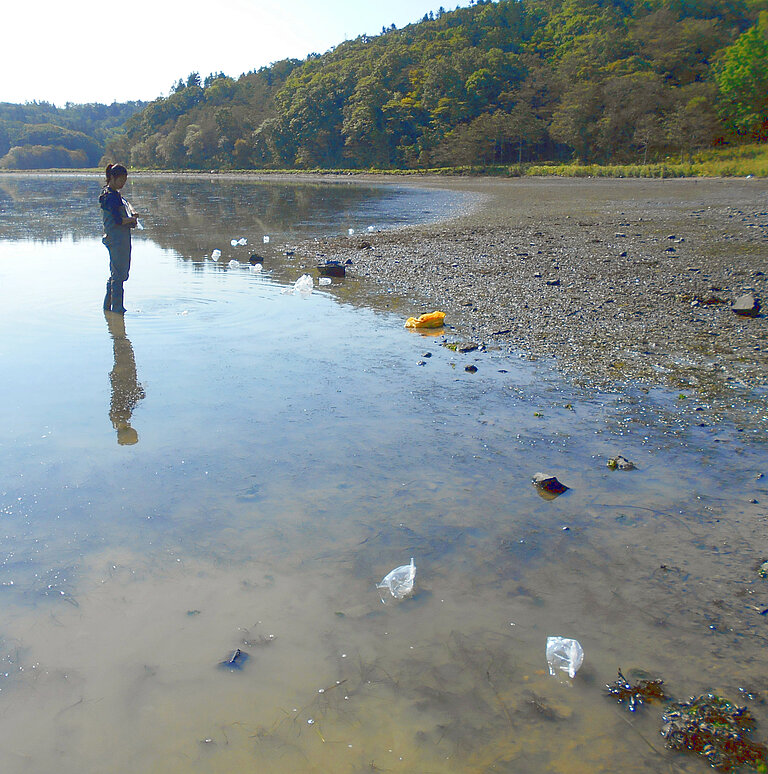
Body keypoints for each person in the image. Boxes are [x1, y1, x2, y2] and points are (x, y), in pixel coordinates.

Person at [99, 163, 139, 313]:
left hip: (117, 238)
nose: (123, 184)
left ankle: (108, 307)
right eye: (121, 180)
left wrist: (132, 214)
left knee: (118, 273)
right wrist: (132, 220)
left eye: (125, 181)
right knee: (119, 274)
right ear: (112, 178)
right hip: (116, 239)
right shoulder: (110, 196)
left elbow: (125, 204)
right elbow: (118, 220)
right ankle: (117, 308)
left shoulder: (113, 194)